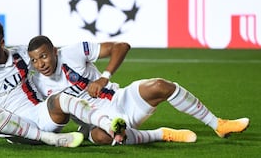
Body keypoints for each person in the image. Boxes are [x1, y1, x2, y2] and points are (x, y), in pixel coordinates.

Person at [0, 19, 127, 147]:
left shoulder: (22, 54)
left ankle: (110, 127)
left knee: (63, 98)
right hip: (16, 129)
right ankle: (49, 140)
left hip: (42, 115)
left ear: (1, 43)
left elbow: (49, 54)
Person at [26, 35, 250, 145]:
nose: (41, 64)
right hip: (96, 122)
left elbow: (121, 47)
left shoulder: (73, 52)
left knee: (161, 86)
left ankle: (218, 124)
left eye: (44, 56)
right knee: (102, 137)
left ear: (54, 51)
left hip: (121, 99)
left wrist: (104, 78)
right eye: (35, 61)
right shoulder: (39, 84)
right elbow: (32, 115)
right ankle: (161, 134)